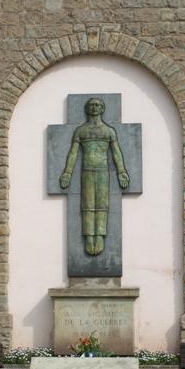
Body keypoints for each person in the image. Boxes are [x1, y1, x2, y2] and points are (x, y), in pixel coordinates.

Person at [60, 97, 129, 256]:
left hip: (103, 171)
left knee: (102, 205)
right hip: (87, 171)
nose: (94, 107)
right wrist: (67, 173)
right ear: (86, 109)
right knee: (87, 205)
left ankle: (100, 236)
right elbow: (73, 153)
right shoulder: (81, 131)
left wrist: (122, 172)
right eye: (91, 105)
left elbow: (117, 153)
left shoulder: (109, 131)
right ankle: (89, 237)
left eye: (97, 105)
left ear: (102, 109)